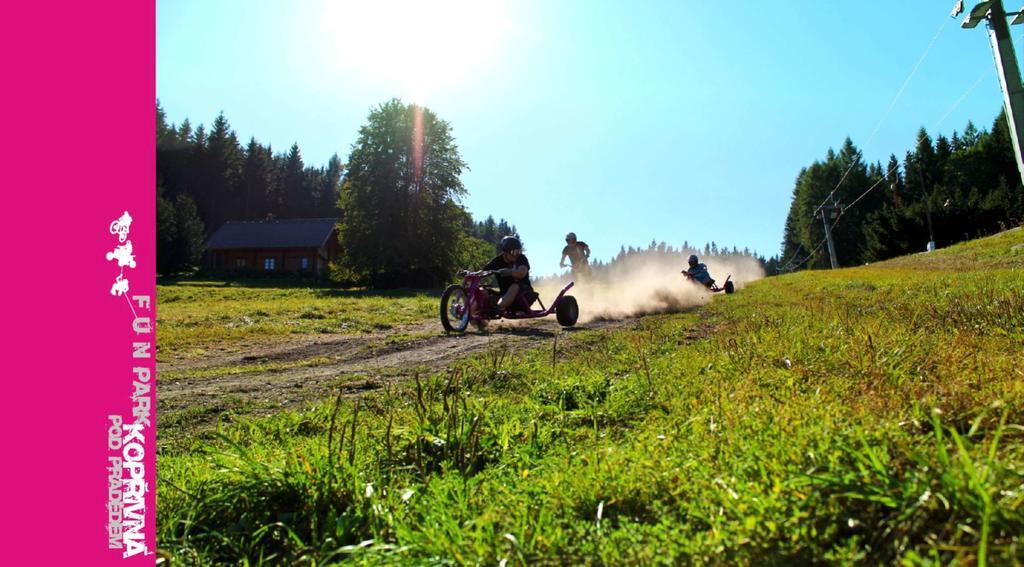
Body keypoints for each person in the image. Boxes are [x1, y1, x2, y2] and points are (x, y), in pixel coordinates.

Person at [482, 235, 533, 313]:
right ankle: (472, 316)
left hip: (524, 297)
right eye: (513, 252)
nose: (516, 254)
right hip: (504, 296)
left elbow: (522, 273)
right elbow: (482, 272)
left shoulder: (521, 258)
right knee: (482, 290)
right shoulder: (497, 261)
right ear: (505, 252)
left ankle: (497, 309)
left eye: (518, 251)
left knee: (515, 286)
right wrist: (470, 274)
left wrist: (509, 272)